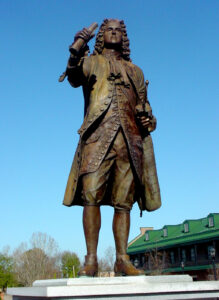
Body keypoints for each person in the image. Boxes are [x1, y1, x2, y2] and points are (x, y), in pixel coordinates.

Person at [60, 19, 161, 276]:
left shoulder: (135, 71)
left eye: (118, 30)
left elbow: (146, 109)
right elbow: (73, 76)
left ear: (124, 37)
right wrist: (78, 47)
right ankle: (91, 260)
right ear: (101, 36)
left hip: (129, 143)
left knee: (123, 202)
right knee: (90, 195)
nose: (113, 32)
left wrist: (150, 120)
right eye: (109, 30)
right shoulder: (92, 62)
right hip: (97, 139)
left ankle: (122, 259)